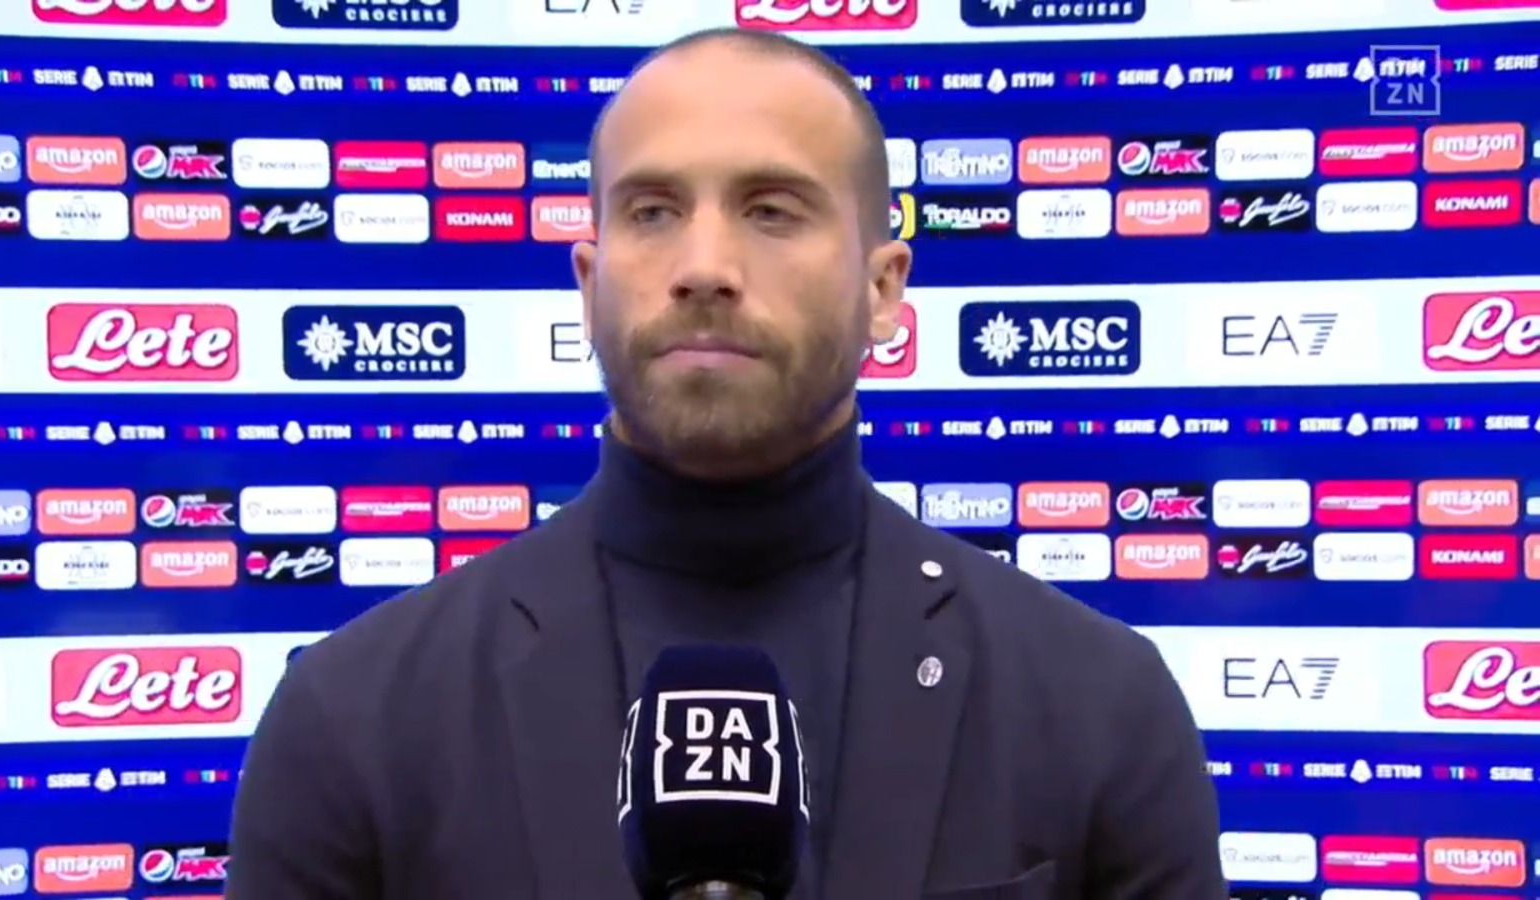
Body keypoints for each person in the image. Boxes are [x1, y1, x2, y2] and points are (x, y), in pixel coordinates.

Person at [226, 27, 1225, 900]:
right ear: (589, 284)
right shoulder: (353, 719)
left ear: (882, 289)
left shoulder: (1100, 707)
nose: (704, 266)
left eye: (771, 209)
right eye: (653, 211)